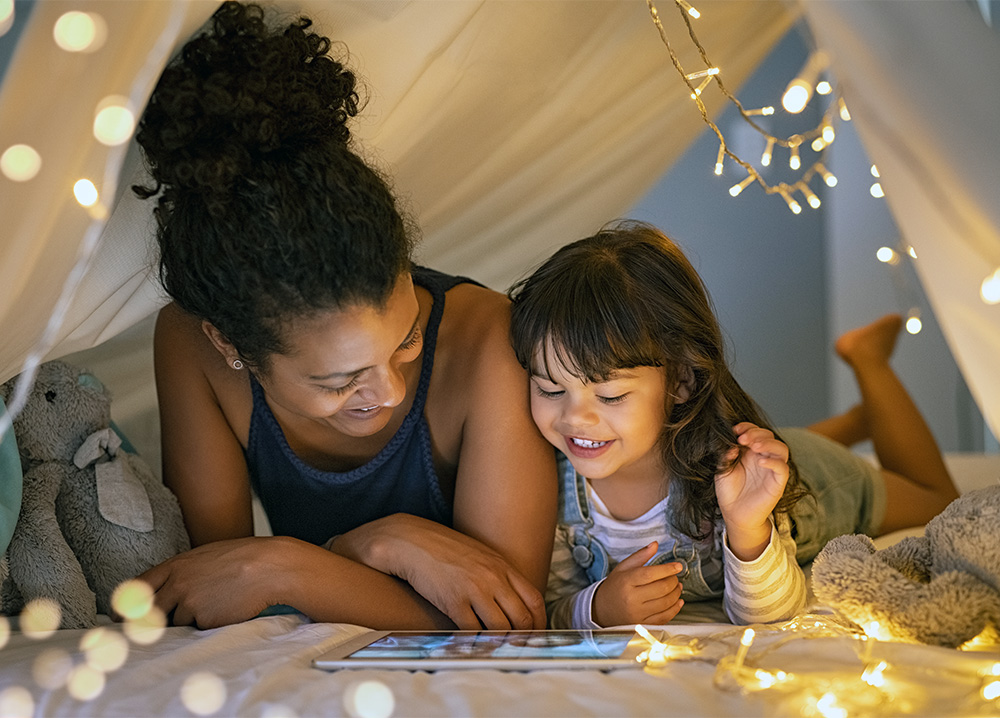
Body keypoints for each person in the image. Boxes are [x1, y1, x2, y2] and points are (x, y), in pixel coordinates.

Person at [131, 1, 556, 631]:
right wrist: (331, 559)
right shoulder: (190, 344)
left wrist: (312, 559)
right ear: (232, 347)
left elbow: (510, 622)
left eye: (408, 339)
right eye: (338, 381)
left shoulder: (490, 337)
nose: (388, 389)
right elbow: (214, 586)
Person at [507, 220, 959, 629]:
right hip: (746, 448)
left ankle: (868, 360)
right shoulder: (550, 484)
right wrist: (596, 608)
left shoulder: (730, 479)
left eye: (610, 396)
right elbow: (550, 602)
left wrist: (747, 529)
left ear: (681, 379)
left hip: (813, 483)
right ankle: (856, 422)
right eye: (549, 389)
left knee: (938, 500)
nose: (574, 417)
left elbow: (772, 612)